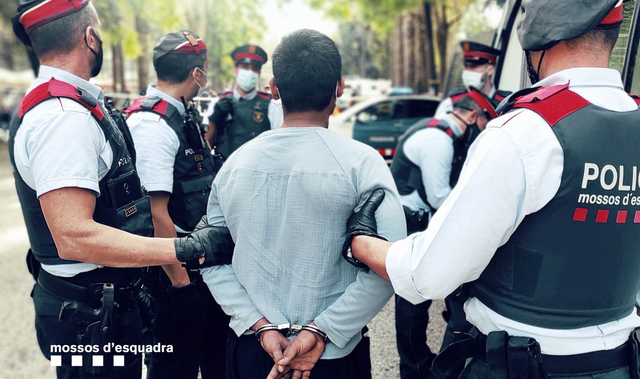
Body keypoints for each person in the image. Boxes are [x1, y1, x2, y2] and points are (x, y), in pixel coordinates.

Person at [346, 1, 640, 378]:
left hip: (519, 366)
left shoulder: (527, 131)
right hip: (618, 365)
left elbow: (429, 274)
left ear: (539, 38)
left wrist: (362, 243)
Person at [9, 1, 233, 378]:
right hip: (91, 317)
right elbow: (73, 237)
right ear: (90, 37)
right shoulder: (63, 117)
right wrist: (185, 250)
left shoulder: (68, 104)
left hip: (99, 309)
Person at [201, 29, 406, 379]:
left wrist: (260, 325)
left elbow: (210, 257)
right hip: (332, 357)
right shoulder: (362, 164)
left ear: (274, 88)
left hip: (254, 351)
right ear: (339, 87)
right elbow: (393, 264)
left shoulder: (235, 165)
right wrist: (323, 329)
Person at [124, 31, 227, 379]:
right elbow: (154, 214)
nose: (207, 75)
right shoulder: (153, 125)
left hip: (197, 266)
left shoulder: (180, 114)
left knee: (215, 356)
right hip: (172, 275)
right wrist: (181, 287)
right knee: (174, 366)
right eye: (207, 69)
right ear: (196, 73)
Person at [390, 89, 495, 379]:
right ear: (473, 116)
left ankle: (435, 363)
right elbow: (439, 197)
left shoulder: (444, 129)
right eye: (487, 121)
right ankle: (415, 368)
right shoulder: (438, 141)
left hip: (422, 221)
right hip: (413, 225)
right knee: (413, 303)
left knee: (447, 296)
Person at [205, 44, 283, 166]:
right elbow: (205, 149)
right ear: (235, 70)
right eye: (245, 67)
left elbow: (279, 148)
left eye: (255, 68)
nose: (249, 72)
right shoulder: (218, 103)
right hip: (221, 173)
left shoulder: (271, 106)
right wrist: (214, 121)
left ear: (259, 73)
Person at [434, 41, 509, 119]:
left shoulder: (506, 103)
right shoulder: (451, 103)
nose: (468, 71)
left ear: (490, 70)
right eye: (466, 66)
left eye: (473, 67)